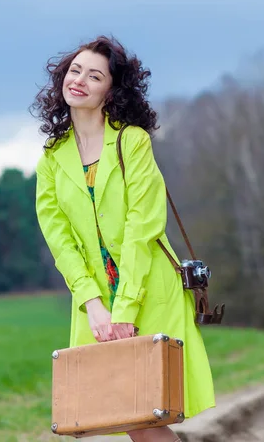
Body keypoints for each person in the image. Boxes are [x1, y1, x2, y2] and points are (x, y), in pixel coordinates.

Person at [31, 36, 215, 442]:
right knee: (125, 412)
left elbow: (142, 227)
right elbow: (58, 236)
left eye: (94, 76)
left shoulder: (132, 141)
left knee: (143, 414)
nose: (79, 80)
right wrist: (93, 303)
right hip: (94, 301)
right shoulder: (51, 156)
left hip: (146, 287)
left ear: (110, 91)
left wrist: (125, 308)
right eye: (74, 70)